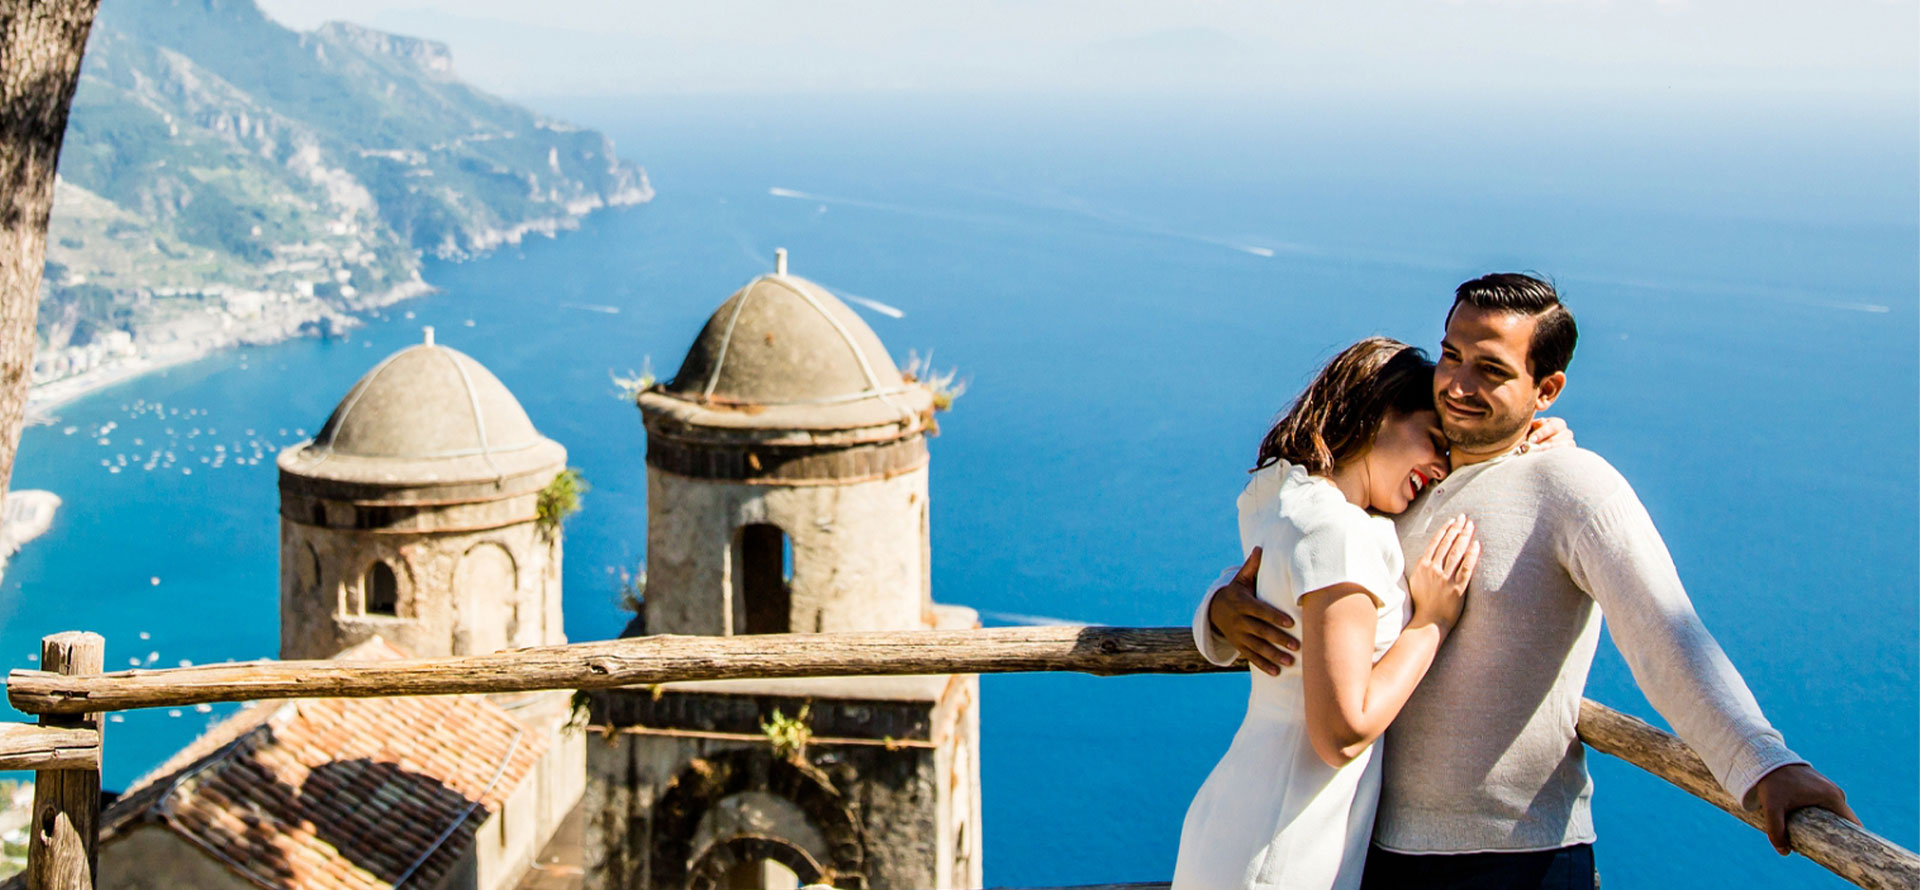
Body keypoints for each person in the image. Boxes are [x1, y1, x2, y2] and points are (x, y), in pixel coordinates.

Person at [1194, 273, 1857, 890]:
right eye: (1451, 355)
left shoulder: (1572, 484)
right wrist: (1220, 610)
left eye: (1491, 370)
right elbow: (1308, 550)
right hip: (1373, 852)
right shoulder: (1404, 485)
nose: (1456, 383)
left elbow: (1666, 634)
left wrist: (1765, 761)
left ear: (1547, 390)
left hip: (1520, 860)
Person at [1172, 336, 1566, 890]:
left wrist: (1529, 441)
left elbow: (1269, 572)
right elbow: (1343, 733)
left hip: (1242, 824)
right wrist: (1431, 623)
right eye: (1433, 440)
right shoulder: (1342, 531)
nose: (1438, 467)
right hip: (1284, 849)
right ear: (1380, 412)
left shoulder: (1291, 500)